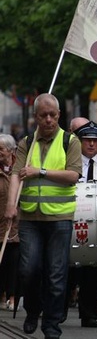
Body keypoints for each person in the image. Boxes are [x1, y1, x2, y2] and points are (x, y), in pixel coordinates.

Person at [5, 93, 82, 339]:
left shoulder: (69, 141)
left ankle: (51, 325)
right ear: (36, 117)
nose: (48, 119)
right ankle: (32, 309)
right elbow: (16, 174)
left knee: (56, 274)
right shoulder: (26, 142)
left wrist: (40, 171)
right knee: (28, 270)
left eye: (52, 115)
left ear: (59, 115)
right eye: (43, 115)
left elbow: (73, 176)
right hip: (29, 218)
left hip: (59, 218)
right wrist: (10, 205)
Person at [63, 120, 97, 328]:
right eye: (87, 141)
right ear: (79, 142)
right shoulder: (69, 163)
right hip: (69, 220)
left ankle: (89, 314)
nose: (91, 144)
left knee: (92, 269)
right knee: (66, 270)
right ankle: (59, 310)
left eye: (95, 141)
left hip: (95, 225)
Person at [0, 134, 19, 312]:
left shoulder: (18, 170)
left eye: (1, 149)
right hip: (0, 223)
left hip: (16, 226)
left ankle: (13, 296)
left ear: (11, 151)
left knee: (14, 261)